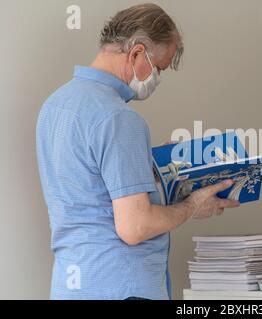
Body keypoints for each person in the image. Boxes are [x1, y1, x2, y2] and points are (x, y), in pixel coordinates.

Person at [36, 3, 240, 300]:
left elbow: (91, 193)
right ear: (136, 53)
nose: (158, 78)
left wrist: (156, 172)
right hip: (122, 288)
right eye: (158, 68)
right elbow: (135, 226)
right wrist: (193, 205)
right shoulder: (120, 118)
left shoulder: (54, 106)